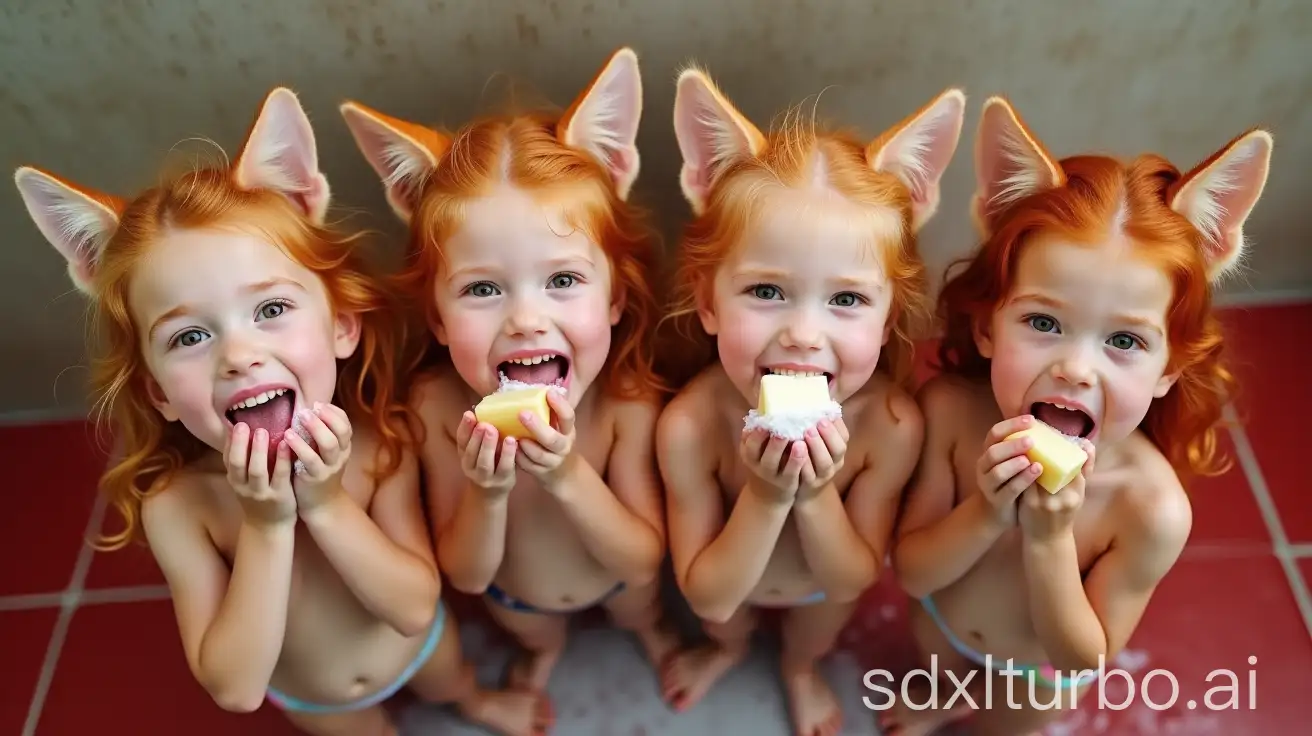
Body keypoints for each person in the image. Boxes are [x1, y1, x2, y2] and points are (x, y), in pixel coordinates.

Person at [13, 87, 552, 736]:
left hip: (417, 647)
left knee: (452, 675)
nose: (239, 356)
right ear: (157, 392)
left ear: (341, 328)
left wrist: (324, 503)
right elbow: (235, 687)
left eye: (270, 310)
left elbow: (413, 610)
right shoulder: (180, 507)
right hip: (319, 700)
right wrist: (268, 525)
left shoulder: (378, 444)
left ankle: (473, 702)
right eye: (189, 337)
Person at [882, 96, 1271, 735]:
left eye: (1124, 341)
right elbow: (913, 570)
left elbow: (1083, 656)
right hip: (943, 620)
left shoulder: (1150, 509)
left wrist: (1047, 537)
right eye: (1043, 322)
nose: (1076, 370)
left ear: (1170, 369)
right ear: (986, 327)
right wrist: (987, 510)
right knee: (936, 669)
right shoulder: (949, 413)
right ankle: (942, 696)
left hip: (1035, 676)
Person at [338, 48, 681, 704]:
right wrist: (487, 491)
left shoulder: (627, 401)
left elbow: (640, 560)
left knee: (639, 606)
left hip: (618, 582)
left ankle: (653, 631)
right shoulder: (435, 409)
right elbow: (466, 575)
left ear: (614, 300)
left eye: (562, 281)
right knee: (535, 632)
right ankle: (543, 650)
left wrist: (565, 473)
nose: (526, 319)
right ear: (436, 319)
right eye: (482, 289)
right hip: (512, 591)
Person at [655, 65, 966, 736]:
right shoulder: (690, 424)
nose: (802, 333)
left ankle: (798, 669)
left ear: (887, 321)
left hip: (821, 587)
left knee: (814, 633)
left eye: (846, 300)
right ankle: (731, 651)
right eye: (766, 292)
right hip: (729, 586)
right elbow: (707, 589)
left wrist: (814, 491)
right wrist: (766, 495)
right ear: (708, 301)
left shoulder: (890, 426)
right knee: (723, 622)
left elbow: (854, 576)